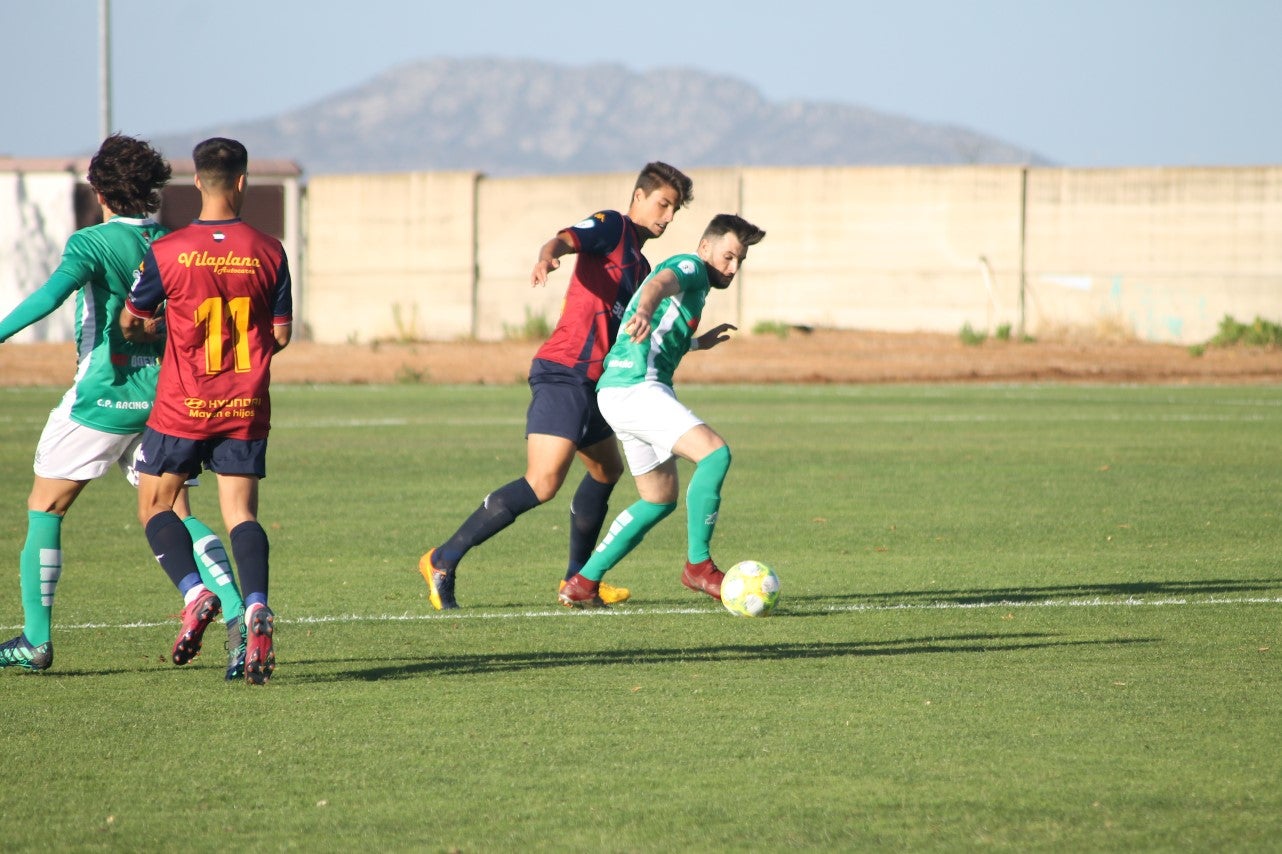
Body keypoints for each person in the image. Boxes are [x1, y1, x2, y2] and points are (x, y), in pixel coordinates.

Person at [0, 134, 246, 676]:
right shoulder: (176, 242)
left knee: (46, 506)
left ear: (98, 190)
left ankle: (35, 640)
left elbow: (48, 298)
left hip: (102, 397)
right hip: (168, 401)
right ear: (152, 188)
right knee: (175, 510)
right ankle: (233, 611)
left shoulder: (90, 244)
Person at [418, 162, 694, 609]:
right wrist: (551, 254)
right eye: (663, 203)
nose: (667, 216)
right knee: (543, 482)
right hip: (565, 371)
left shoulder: (642, 265)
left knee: (606, 470)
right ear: (639, 197)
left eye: (675, 209)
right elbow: (567, 237)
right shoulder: (613, 225)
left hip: (596, 384)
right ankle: (443, 559)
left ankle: (577, 583)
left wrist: (694, 342)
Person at [121, 137, 292, 685]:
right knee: (241, 513)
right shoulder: (270, 250)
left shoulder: (167, 251)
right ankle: (257, 605)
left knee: (156, 505)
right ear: (242, 181)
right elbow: (282, 334)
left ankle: (196, 593)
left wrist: (152, 328)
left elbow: (133, 320)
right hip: (244, 404)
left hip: (182, 406)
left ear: (196, 181)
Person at [558, 214, 765, 608]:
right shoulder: (690, 266)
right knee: (715, 454)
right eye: (728, 256)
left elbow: (661, 334)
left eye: (740, 260)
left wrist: (698, 343)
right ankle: (698, 566)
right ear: (706, 248)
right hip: (638, 387)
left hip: (619, 392)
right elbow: (657, 285)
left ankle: (583, 581)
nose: (733, 267)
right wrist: (645, 305)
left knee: (658, 499)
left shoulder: (697, 288)